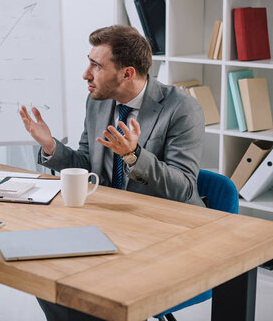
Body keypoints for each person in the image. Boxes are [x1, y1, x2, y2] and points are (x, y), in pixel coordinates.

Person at [19, 25, 205, 320]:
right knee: (47, 279)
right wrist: (52, 146)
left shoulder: (182, 108)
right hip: (111, 222)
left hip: (167, 232)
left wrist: (134, 156)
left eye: (96, 66)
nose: (85, 74)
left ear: (127, 73)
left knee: (97, 294)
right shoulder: (97, 101)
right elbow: (85, 163)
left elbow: (183, 188)